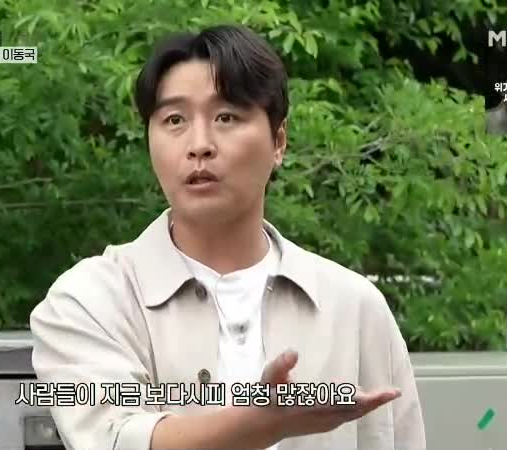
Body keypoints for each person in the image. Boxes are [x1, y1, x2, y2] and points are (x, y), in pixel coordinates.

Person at [30, 24, 426, 450]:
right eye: (175, 120)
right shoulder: (91, 299)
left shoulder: (355, 307)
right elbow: (116, 438)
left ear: (278, 141)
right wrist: (261, 424)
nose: (199, 145)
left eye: (226, 117)